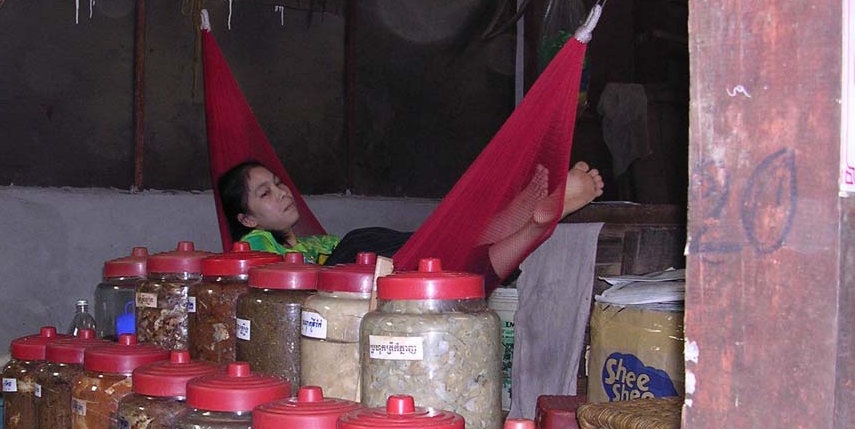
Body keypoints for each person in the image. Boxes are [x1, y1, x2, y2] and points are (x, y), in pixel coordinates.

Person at [218, 159, 604, 266]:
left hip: (372, 286)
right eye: (265, 193)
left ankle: (527, 220)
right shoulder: (253, 247)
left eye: (278, 183)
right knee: (361, 240)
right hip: (329, 301)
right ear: (247, 219)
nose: (282, 192)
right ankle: (527, 218)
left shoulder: (314, 241)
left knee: (422, 250)